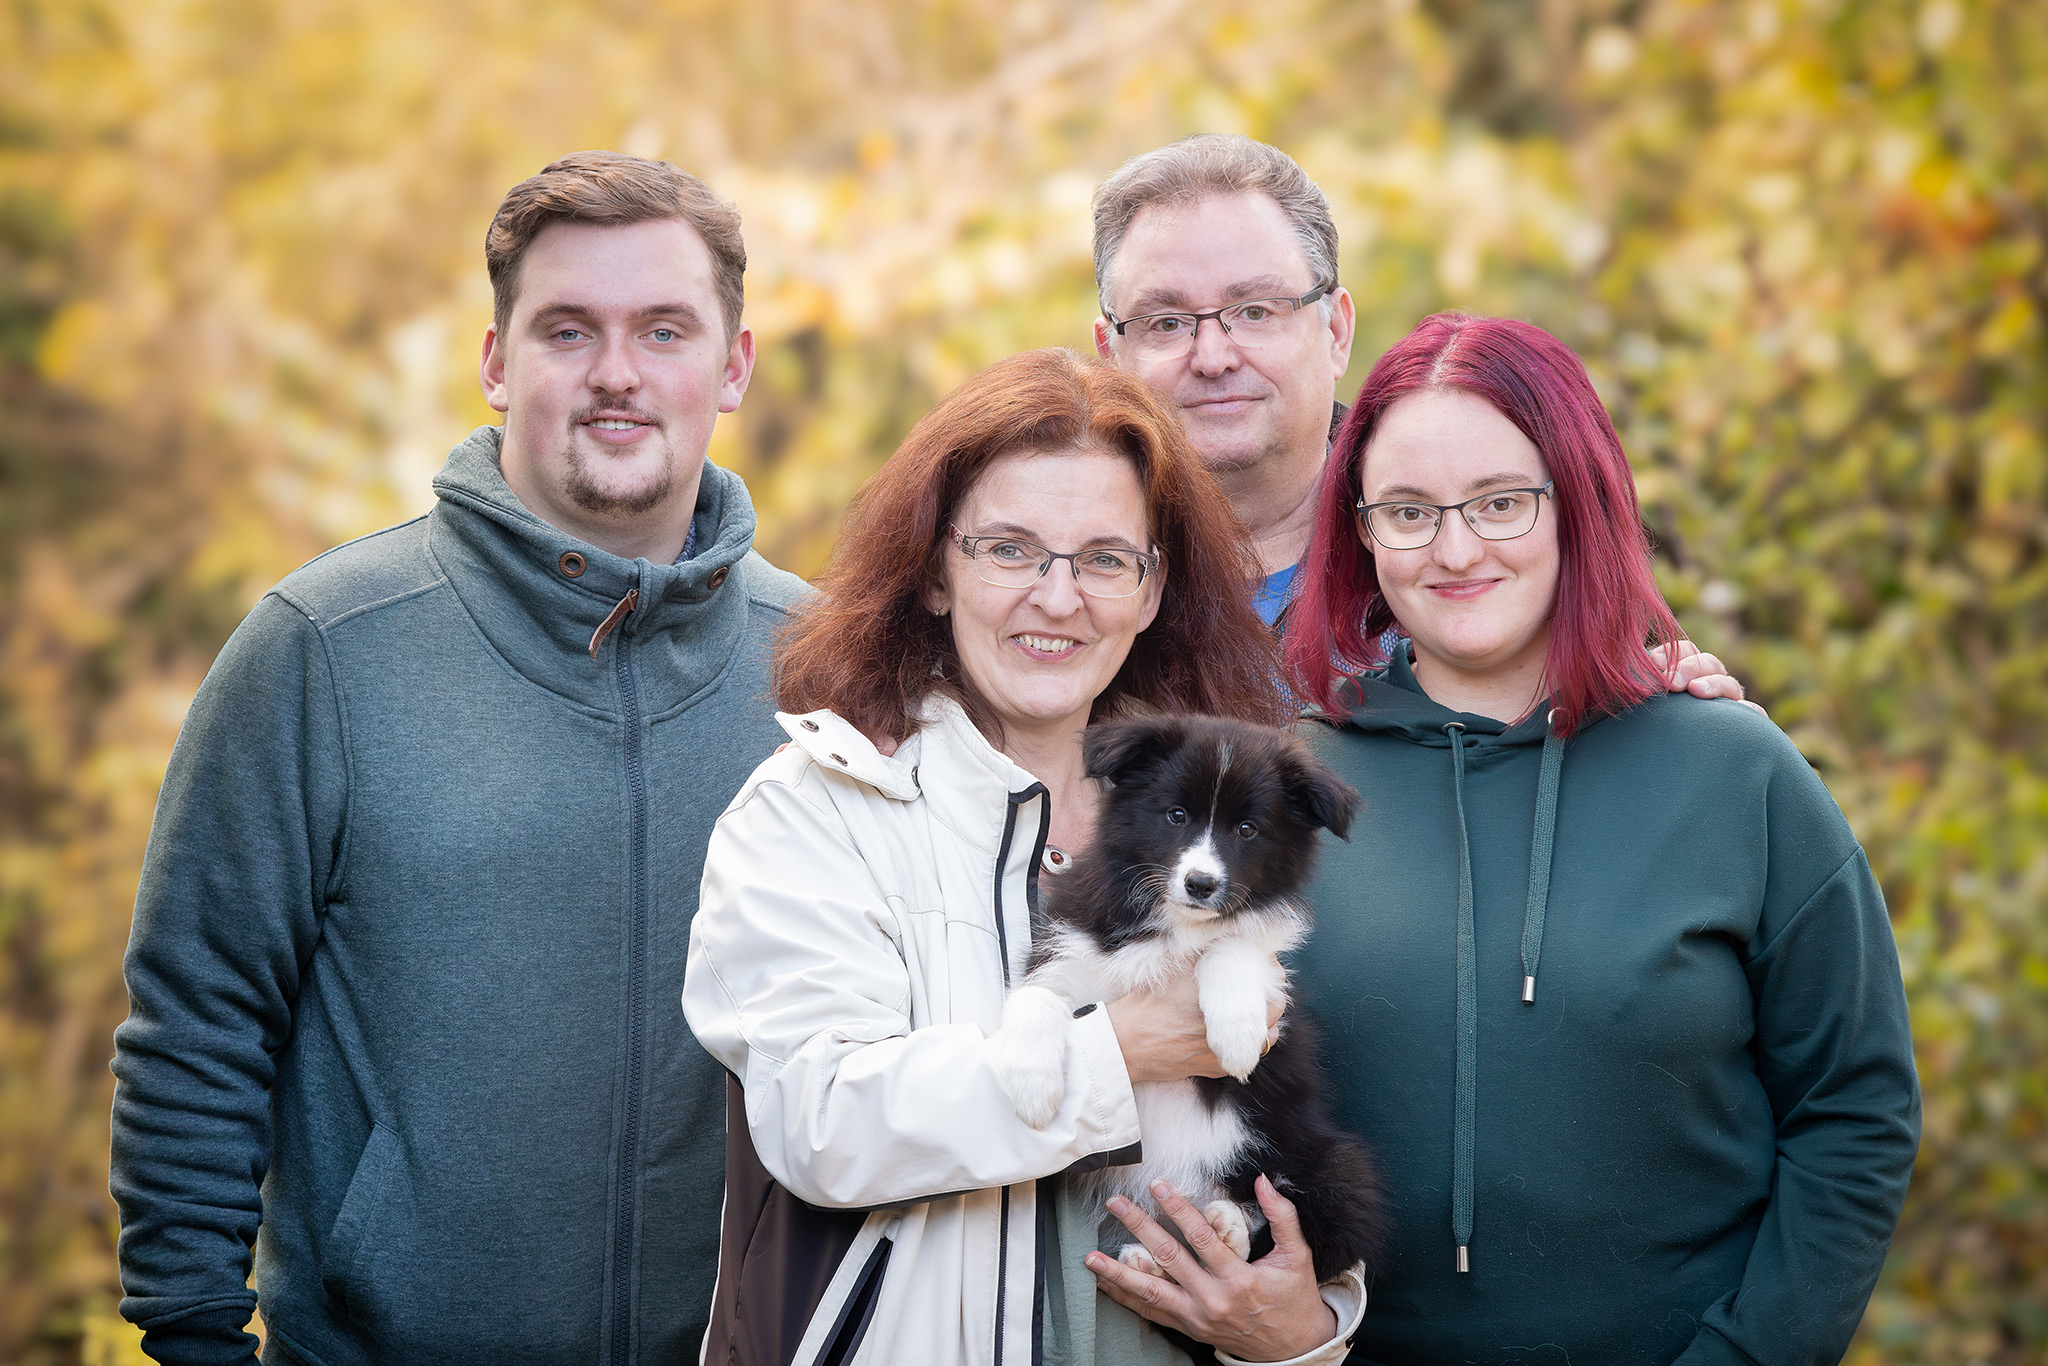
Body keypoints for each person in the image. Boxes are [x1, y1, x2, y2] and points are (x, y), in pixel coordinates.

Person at [110, 151, 805, 1364]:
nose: (617, 374)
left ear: (732, 365)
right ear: (496, 363)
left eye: (663, 329)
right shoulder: (322, 650)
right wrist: (195, 1337)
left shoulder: (825, 669)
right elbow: (195, 1031)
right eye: (566, 331)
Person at [683, 348, 1370, 1366]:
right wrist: (1117, 1049)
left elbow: (1275, 1136)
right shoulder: (818, 808)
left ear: (1148, 591)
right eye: (1009, 549)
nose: (1057, 597)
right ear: (931, 570)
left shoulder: (1218, 810)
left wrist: (1297, 1330)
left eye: (1102, 558)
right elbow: (822, 1122)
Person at [1257, 311, 1920, 1364]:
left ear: (1578, 501)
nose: (1457, 547)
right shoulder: (1288, 788)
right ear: (1360, 530)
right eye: (1409, 511)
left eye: (1500, 502)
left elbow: (1854, 1110)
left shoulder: (1733, 773)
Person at [1087, 135, 1751, 707]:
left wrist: (1672, 722)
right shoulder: (1064, 580)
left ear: (1337, 330)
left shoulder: (1479, 557)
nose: (1213, 356)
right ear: (1110, 352)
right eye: (1165, 322)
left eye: (1256, 310)